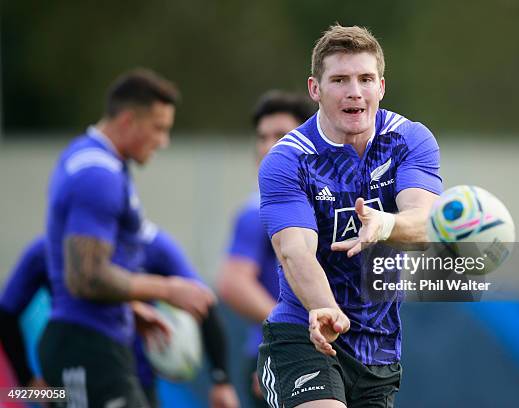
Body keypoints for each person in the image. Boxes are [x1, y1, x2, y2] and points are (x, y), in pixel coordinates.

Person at [256, 24, 442, 408]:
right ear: (315, 89)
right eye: (339, 79)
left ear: (381, 88)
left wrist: (385, 224)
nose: (354, 91)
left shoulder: (409, 140)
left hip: (378, 347)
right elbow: (295, 251)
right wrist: (324, 308)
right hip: (305, 332)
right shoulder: (288, 159)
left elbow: (424, 223)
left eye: (365, 79)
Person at [39, 68, 217, 407]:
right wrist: (166, 290)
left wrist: (132, 306)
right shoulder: (98, 175)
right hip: (86, 345)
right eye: (158, 129)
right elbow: (86, 277)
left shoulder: (91, 158)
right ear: (127, 121)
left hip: (93, 340)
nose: (163, 141)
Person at [0, 227, 240, 408]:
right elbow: (6, 312)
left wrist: (221, 380)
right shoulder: (49, 248)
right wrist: (27, 382)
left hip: (135, 380)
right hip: (69, 378)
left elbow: (202, 302)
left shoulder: (150, 244)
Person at [216, 91, 315, 407]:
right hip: (282, 355)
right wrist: (286, 339)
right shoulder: (256, 210)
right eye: (261, 137)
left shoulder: (326, 202)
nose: (266, 145)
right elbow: (232, 282)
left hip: (330, 356)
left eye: (280, 135)